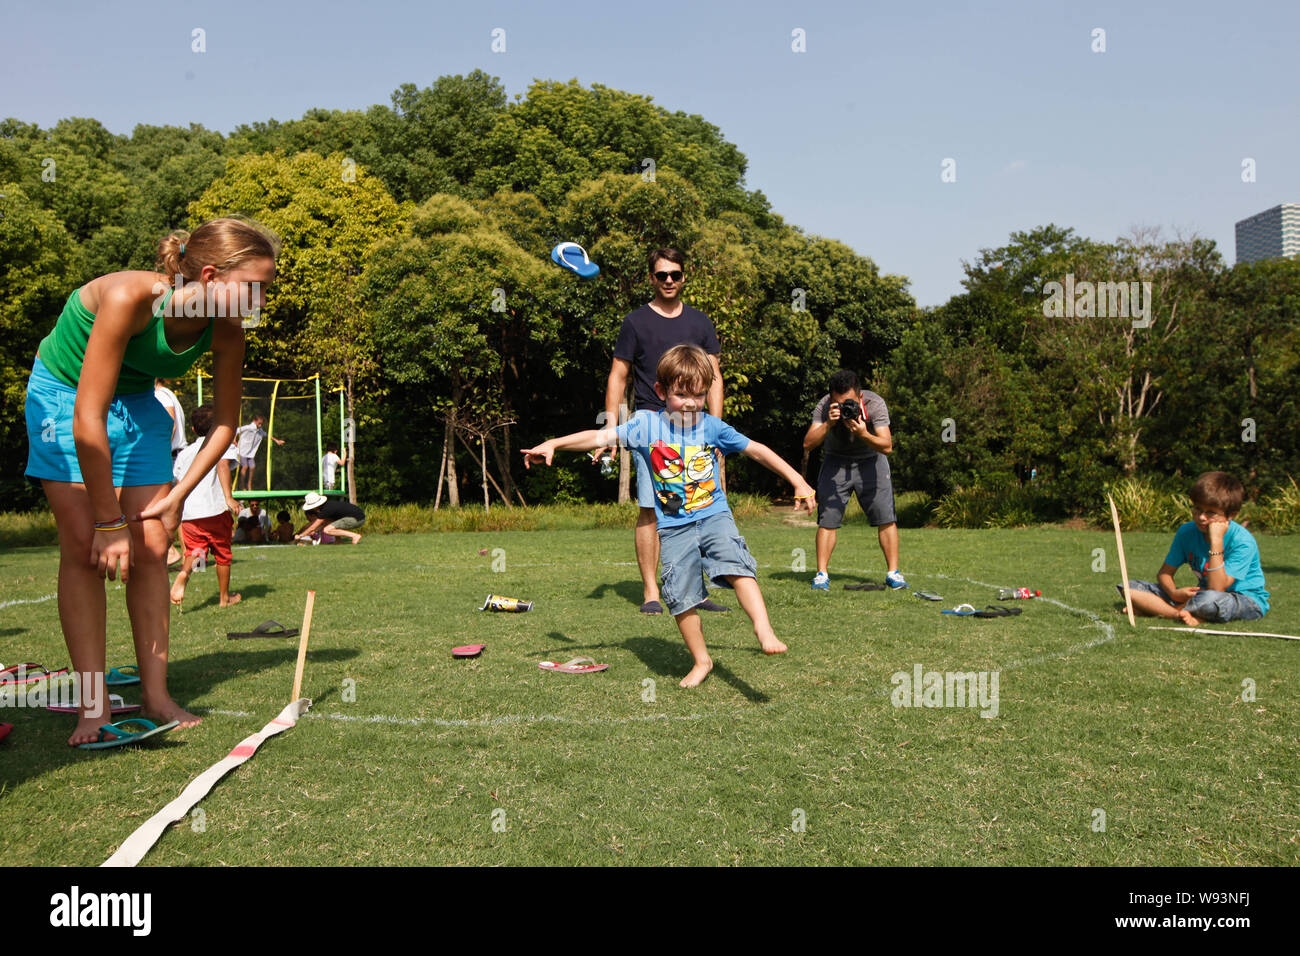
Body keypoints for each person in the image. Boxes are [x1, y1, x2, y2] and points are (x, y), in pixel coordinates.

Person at [23, 217, 277, 745]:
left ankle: (157, 696)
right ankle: (93, 708)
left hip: (136, 400)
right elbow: (88, 418)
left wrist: (179, 498)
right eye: (256, 287)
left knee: (154, 543)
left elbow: (226, 422)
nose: (263, 300)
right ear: (209, 277)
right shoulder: (129, 297)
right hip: (65, 395)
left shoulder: (226, 327)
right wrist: (108, 521)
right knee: (83, 547)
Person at [523, 345, 816, 688]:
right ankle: (702, 660)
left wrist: (798, 480)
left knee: (736, 564)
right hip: (674, 527)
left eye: (699, 395)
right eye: (681, 395)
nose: (691, 403)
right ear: (661, 391)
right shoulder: (645, 426)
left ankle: (763, 628)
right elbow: (599, 436)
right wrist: (555, 443)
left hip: (713, 515)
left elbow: (758, 451)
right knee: (680, 596)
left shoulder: (712, 426)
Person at [592, 247, 728, 616]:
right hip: (652, 427)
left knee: (699, 508)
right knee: (652, 508)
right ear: (651, 278)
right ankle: (652, 592)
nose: (669, 280)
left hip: (697, 429)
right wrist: (610, 427)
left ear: (685, 277)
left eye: (676, 274)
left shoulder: (700, 322)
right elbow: (618, 375)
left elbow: (713, 378)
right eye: (662, 275)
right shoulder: (635, 322)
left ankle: (696, 591)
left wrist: (716, 428)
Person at [1121, 471, 1270, 626]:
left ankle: (1157, 609)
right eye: (1198, 509)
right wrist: (1173, 592)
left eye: (1211, 513)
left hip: (1242, 599)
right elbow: (1164, 573)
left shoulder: (1242, 541)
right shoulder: (1187, 531)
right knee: (1129, 587)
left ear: (1231, 515)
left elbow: (1217, 588)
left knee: (1210, 600)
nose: (1201, 517)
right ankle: (1177, 613)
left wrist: (1217, 541)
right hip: (1202, 594)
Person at [802, 369, 906, 591]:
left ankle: (893, 573)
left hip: (871, 460)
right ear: (831, 399)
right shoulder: (824, 406)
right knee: (827, 519)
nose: (843, 407)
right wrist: (828, 424)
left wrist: (863, 433)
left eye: (848, 403)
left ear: (860, 397)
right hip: (836, 461)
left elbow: (887, 446)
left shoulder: (875, 403)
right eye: (838, 403)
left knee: (886, 517)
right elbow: (808, 444)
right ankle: (821, 575)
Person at [170, 404, 241, 608]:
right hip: (214, 508)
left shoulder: (184, 453)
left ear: (193, 430)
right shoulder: (223, 445)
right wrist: (229, 497)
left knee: (196, 550)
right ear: (219, 428)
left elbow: (178, 480)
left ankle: (184, 574)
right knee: (223, 554)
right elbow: (222, 465)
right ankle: (224, 599)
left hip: (190, 512)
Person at [154, 378, 187, 566]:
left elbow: (170, 424)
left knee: (165, 507)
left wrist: (157, 451)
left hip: (171, 457)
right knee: (177, 510)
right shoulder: (168, 394)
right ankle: (181, 554)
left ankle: (171, 551)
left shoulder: (160, 395)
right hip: (175, 456)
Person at [235, 413, 284, 491]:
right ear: (254, 421)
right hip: (242, 451)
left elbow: (266, 435)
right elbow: (236, 430)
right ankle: (242, 486)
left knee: (252, 467)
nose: (260, 425)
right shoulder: (249, 427)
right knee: (245, 467)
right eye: (259, 423)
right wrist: (234, 441)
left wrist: (276, 440)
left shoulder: (259, 430)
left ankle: (249, 484)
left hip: (250, 453)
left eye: (261, 424)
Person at [296, 492, 364, 544]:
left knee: (327, 530)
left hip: (356, 519)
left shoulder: (326, 510)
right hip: (357, 517)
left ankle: (354, 536)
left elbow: (313, 526)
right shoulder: (327, 506)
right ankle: (338, 542)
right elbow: (323, 524)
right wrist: (314, 531)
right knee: (329, 523)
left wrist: (301, 535)